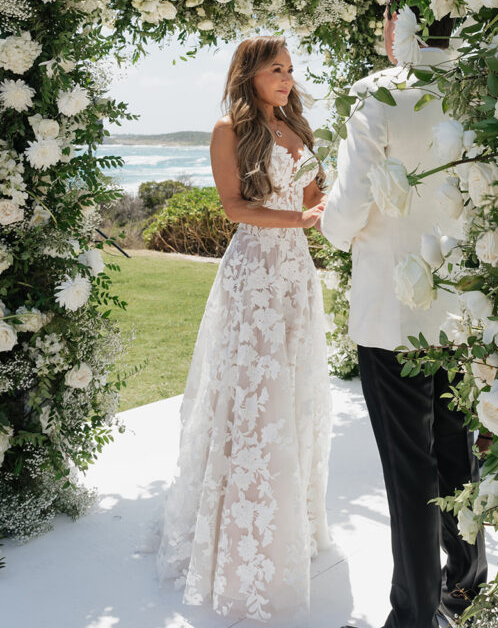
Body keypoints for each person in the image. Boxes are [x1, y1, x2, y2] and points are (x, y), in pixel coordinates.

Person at [321, 0, 488, 628]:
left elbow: (352, 202)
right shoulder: (478, 93)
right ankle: (466, 582)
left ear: (404, 24)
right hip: (458, 306)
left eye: (386, 18)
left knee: (409, 469)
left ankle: (414, 616)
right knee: (454, 454)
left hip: (392, 313)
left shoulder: (379, 95)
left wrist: (332, 228)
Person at [156, 35, 331, 622]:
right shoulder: (227, 130)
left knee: (293, 391)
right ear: (249, 74)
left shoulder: (296, 129)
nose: (285, 78)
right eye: (273, 69)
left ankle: (288, 519)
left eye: (288, 69)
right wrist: (297, 216)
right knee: (251, 396)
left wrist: (323, 197)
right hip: (253, 271)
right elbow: (233, 207)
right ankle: (235, 528)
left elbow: (308, 195)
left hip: (295, 274)